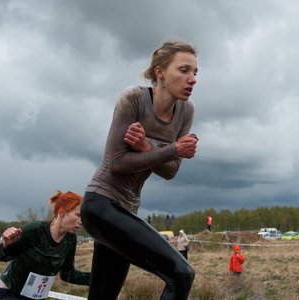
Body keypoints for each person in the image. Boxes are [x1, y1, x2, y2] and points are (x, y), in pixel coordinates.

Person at [80, 40, 199, 299]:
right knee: (181, 274)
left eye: (195, 73)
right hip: (101, 205)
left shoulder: (186, 111)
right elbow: (117, 162)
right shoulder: (133, 98)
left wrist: (147, 148)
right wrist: (172, 149)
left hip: (127, 210)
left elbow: (170, 172)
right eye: (184, 70)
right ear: (160, 72)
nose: (192, 79)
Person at [0, 191, 90, 299]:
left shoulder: (70, 239)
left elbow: (68, 274)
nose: (81, 221)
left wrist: (101, 279)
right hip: (6, 294)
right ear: (62, 212)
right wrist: (5, 244)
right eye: (78, 215)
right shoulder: (36, 230)